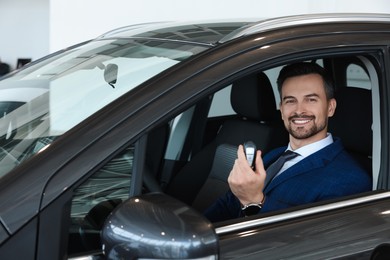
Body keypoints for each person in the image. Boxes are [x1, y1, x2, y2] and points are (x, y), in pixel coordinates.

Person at [204, 62, 372, 222]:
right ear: (282, 110)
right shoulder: (274, 155)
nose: (299, 110)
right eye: (290, 101)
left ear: (330, 107)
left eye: (311, 99)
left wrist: (256, 202)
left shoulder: (352, 180)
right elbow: (229, 203)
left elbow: (314, 241)